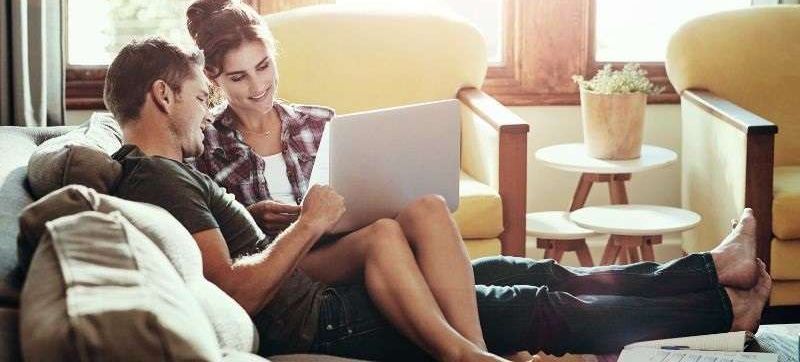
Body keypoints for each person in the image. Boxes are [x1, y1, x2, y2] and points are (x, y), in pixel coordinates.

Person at [104, 36, 771, 362]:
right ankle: (717, 304)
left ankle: (713, 272)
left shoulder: (164, 174)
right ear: (163, 96)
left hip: (336, 282)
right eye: (201, 95)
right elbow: (238, 292)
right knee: (535, 303)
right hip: (331, 310)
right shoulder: (159, 176)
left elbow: (247, 266)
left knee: (526, 269)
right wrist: (308, 225)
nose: (206, 111)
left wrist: (322, 223)